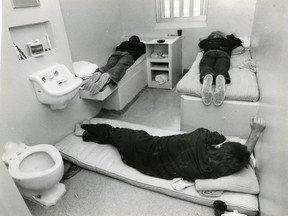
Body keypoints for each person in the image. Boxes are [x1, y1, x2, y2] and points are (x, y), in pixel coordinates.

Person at [74, 116, 266, 181]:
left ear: (220, 147)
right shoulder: (212, 172)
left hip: (141, 147)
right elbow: (242, 157)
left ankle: (85, 126)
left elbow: (214, 136)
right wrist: (255, 134)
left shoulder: (200, 138)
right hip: (144, 166)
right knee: (116, 141)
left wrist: (221, 139)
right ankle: (86, 136)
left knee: (113, 133)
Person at [198, 31, 243, 106]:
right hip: (224, 52)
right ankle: (221, 77)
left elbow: (200, 43)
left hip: (209, 52)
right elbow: (238, 42)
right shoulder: (227, 41)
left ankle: (207, 76)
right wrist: (229, 36)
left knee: (206, 65)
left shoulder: (208, 41)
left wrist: (209, 38)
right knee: (222, 66)